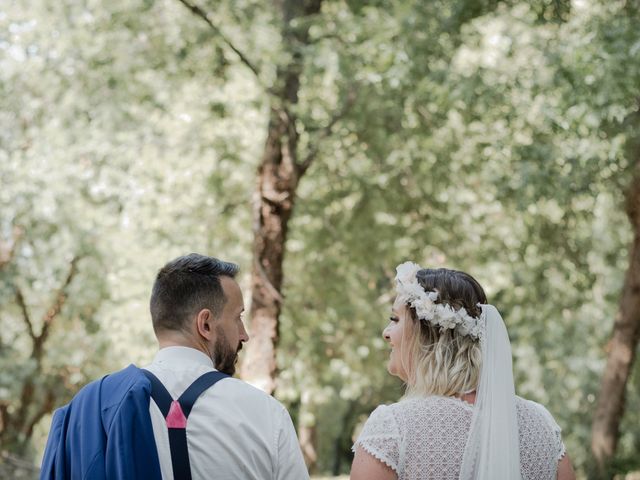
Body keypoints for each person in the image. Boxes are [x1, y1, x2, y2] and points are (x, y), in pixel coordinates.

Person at [41, 253, 309, 480]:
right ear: (205, 324)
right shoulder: (267, 415)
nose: (244, 335)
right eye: (238, 318)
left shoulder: (92, 409)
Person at [351, 262, 576, 480]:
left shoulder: (392, 429)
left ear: (429, 335)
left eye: (395, 319)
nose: (386, 333)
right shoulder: (541, 425)